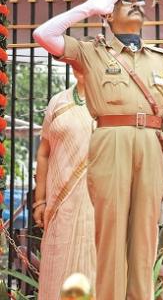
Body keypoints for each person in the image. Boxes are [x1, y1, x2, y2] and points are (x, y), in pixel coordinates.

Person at [33, 0, 163, 299]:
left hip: (152, 144)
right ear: (107, 14)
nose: (135, 4)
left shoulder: (160, 58)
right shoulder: (91, 51)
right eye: (123, 0)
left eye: (137, 0)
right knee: (112, 240)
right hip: (111, 139)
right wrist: (88, 7)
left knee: (145, 241)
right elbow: (43, 35)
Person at [32, 65, 95, 299]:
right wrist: (40, 201)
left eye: (86, 60)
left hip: (97, 202)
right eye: (76, 60)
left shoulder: (108, 103)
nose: (81, 67)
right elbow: (44, 152)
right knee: (57, 265)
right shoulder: (58, 102)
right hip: (60, 204)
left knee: (95, 265)